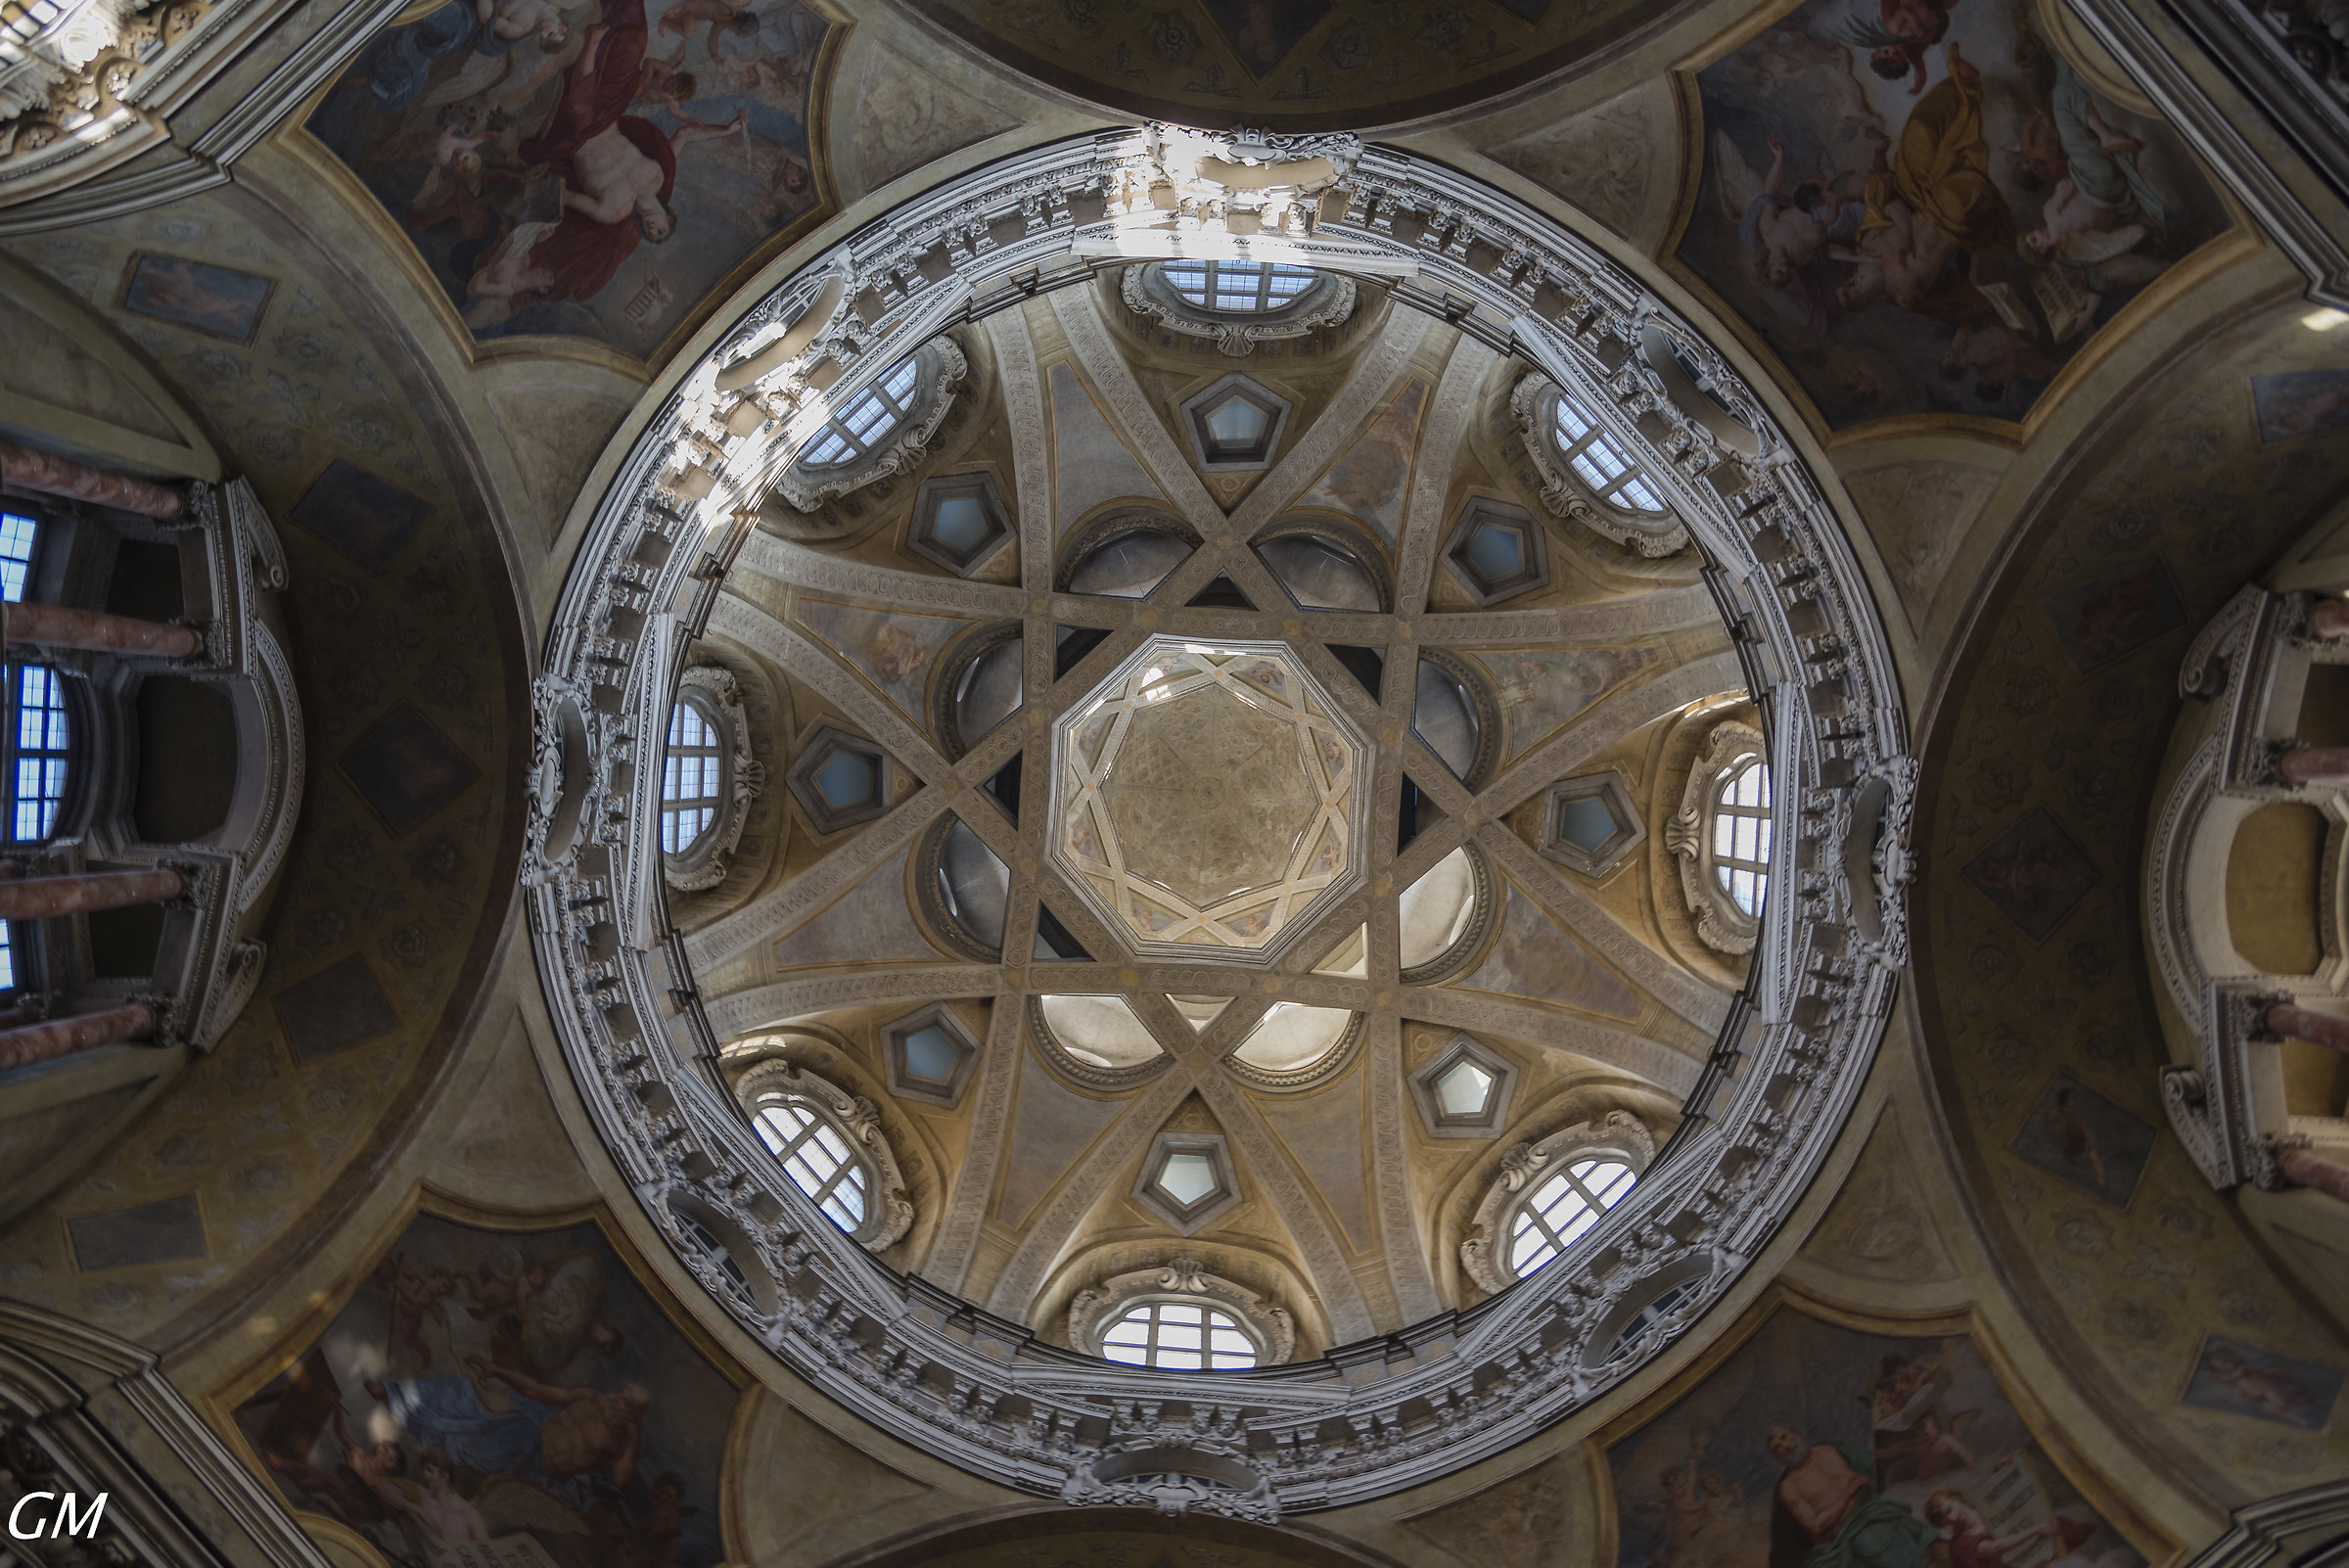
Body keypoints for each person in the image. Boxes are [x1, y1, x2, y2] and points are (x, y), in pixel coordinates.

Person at [1766, 1424, 1939, 1568]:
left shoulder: (1829, 1451)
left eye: (1784, 1437)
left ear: (1795, 1433)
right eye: (1777, 1448)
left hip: (1870, 1514)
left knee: (1880, 1536)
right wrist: (1848, 1493)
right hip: (1838, 1543)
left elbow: (1869, 1464)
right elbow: (1815, 1526)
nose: (1785, 1447)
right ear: (1776, 1456)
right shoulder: (1789, 1487)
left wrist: (1903, 1451)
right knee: (1869, 1541)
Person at [1923, 1491, 2094, 1568]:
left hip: (2015, 1551)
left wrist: (2008, 1468)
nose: (1952, 1518)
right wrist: (2035, 1530)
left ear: (1956, 1498)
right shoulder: (1962, 1543)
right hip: (2005, 1562)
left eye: (1949, 1510)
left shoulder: (1978, 1506)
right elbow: (1997, 1548)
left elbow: (2006, 1502)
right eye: (1945, 1519)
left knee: (2062, 1528)